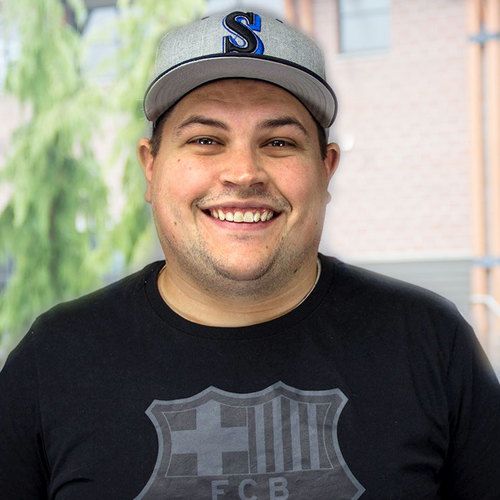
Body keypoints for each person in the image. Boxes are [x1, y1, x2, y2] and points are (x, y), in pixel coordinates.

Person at [1, 8, 499, 500]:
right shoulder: (54, 360)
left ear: (326, 170)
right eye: (205, 140)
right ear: (150, 167)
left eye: (279, 141)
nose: (243, 172)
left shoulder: (430, 343)